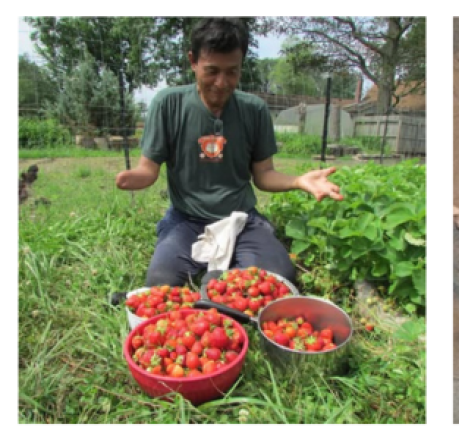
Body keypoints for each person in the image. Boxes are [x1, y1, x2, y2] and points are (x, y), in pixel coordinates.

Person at [115, 18, 343, 289]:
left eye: (232, 72)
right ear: (193, 61)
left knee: (279, 277)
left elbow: (264, 175)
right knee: (161, 281)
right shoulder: (168, 104)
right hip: (186, 219)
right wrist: (136, 176)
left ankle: (219, 279)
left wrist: (298, 181)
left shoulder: (254, 110)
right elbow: (149, 169)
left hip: (241, 219)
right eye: (212, 70)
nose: (222, 83)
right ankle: (225, 275)